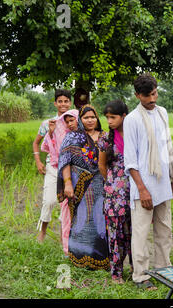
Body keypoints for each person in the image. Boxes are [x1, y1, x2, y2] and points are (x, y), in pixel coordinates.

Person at [124, 73, 173, 290]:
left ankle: (164, 269)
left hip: (163, 182)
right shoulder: (132, 120)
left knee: (165, 229)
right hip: (143, 186)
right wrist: (142, 189)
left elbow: (168, 148)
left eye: (154, 93)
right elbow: (131, 160)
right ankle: (140, 276)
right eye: (147, 96)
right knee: (140, 232)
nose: (152, 99)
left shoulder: (163, 113)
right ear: (138, 95)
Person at [57, 104, 109, 270]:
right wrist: (67, 183)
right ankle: (80, 258)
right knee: (82, 220)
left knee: (100, 220)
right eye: (86, 117)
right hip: (80, 186)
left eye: (93, 117)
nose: (90, 120)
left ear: (97, 118)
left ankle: (101, 259)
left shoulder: (105, 136)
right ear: (81, 119)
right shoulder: (73, 137)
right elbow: (65, 162)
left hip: (101, 184)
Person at [98, 100, 132, 284]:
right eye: (107, 117)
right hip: (114, 196)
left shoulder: (134, 135)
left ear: (124, 116)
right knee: (115, 233)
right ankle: (116, 273)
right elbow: (101, 165)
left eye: (113, 117)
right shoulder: (105, 139)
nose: (109, 121)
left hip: (134, 191)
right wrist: (113, 183)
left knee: (133, 232)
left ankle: (137, 269)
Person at [34, 89, 72, 242]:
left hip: (70, 168)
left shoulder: (73, 121)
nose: (63, 104)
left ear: (70, 103)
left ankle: (66, 237)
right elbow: (36, 143)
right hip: (53, 166)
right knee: (49, 201)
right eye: (60, 101)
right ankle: (42, 231)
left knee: (68, 203)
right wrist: (38, 161)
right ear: (55, 103)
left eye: (66, 101)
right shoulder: (48, 123)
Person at [41, 109, 79, 255]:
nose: (69, 124)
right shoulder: (63, 136)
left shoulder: (85, 135)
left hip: (83, 179)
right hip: (66, 176)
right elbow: (56, 153)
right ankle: (67, 248)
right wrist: (51, 133)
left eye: (72, 120)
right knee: (66, 211)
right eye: (67, 121)